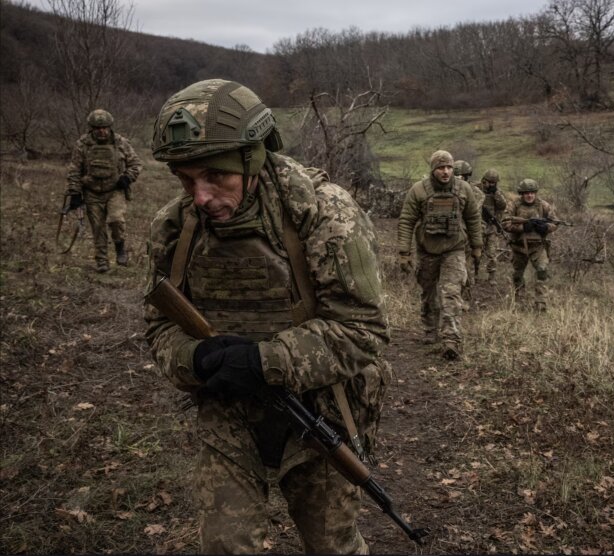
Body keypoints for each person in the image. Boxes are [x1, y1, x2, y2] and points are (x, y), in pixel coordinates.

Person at [143, 79, 391, 554]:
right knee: (223, 545)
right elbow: (158, 326)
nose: (199, 196)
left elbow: (363, 330)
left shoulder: (324, 214)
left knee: (331, 545)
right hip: (227, 410)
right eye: (185, 179)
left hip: (320, 411)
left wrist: (265, 361)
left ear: (252, 160)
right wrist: (194, 360)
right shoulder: (174, 228)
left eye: (215, 177)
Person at [398, 150, 483, 360]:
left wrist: (477, 246)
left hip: (454, 249)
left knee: (451, 293)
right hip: (427, 250)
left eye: (449, 167)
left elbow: (473, 218)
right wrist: (403, 252)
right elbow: (407, 220)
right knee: (428, 293)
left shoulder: (463, 189)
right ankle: (430, 330)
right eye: (440, 168)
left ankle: (451, 339)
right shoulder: (418, 190)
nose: (445, 172)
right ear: (433, 169)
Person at [65, 109, 142, 272]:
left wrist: (127, 177)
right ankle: (102, 261)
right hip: (92, 192)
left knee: (116, 220)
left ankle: (120, 247)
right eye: (97, 128)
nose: (101, 131)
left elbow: (135, 164)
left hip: (114, 190)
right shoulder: (83, 144)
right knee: (98, 228)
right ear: (91, 128)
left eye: (105, 127)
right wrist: (75, 193)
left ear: (110, 127)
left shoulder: (120, 142)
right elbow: (74, 169)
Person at [501, 179, 562, 312]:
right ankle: (519, 302)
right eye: (526, 193)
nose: (530, 195)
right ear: (521, 194)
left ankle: (541, 304)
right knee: (518, 275)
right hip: (518, 247)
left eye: (532, 192)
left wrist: (546, 227)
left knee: (542, 271)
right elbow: (505, 223)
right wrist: (523, 227)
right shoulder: (513, 205)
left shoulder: (543, 205)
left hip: (538, 246)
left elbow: (556, 222)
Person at [454, 159, 484, 308]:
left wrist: (476, 242)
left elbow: (473, 217)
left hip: (466, 236)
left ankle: (464, 297)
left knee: (465, 268)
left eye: (462, 176)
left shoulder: (475, 193)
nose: (459, 179)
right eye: (456, 176)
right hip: (449, 235)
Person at [474, 168, 507, 286]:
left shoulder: (497, 192)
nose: (492, 184)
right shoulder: (475, 189)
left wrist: (495, 193)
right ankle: (475, 274)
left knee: (492, 254)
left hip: (492, 227)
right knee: (477, 253)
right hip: (477, 226)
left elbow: (503, 206)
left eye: (494, 183)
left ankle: (491, 276)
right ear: (484, 180)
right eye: (490, 182)